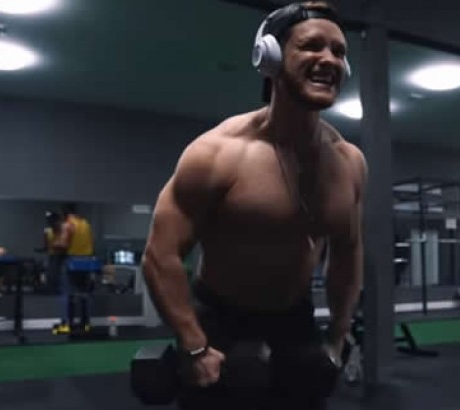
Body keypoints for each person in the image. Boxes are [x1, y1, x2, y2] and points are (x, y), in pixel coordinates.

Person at [142, 2, 367, 409]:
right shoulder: (218, 153)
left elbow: (348, 252)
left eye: (339, 51)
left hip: (296, 319)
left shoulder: (349, 162)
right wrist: (193, 343)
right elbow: (161, 255)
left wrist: (338, 335)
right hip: (219, 319)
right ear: (270, 57)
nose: (329, 60)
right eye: (312, 46)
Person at [52, 203, 95, 333]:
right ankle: (86, 324)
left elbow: (63, 244)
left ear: (65, 212)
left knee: (67, 293)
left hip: (72, 261)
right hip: (87, 261)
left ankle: (66, 324)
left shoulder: (68, 225)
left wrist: (54, 243)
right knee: (84, 294)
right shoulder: (86, 224)